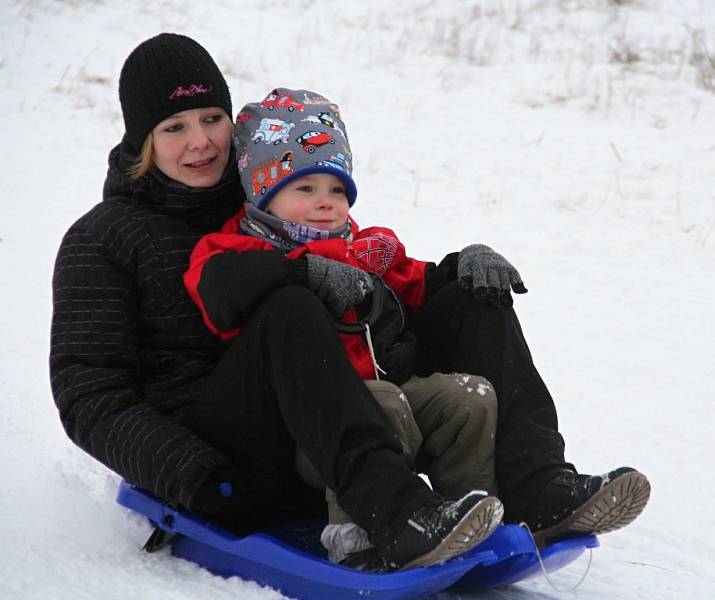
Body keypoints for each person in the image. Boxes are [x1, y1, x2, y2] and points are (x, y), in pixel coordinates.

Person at [48, 33, 504, 573]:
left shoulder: (272, 195)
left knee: (473, 295)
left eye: (212, 119)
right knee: (288, 302)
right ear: (142, 140)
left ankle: (530, 489)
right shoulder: (103, 239)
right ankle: (394, 512)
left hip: (321, 444)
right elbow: (90, 395)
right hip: (228, 460)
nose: (200, 143)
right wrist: (198, 478)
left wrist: (452, 277)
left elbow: (364, 261)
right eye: (174, 128)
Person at [183, 89, 501, 565]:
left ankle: (469, 518)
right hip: (306, 430)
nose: (326, 203)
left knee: (469, 399)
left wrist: (466, 266)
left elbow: (419, 284)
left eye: (337, 190)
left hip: (384, 397)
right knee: (382, 401)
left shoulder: (364, 246)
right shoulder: (235, 249)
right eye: (305, 189)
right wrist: (300, 268)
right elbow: (220, 295)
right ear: (264, 193)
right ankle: (355, 537)